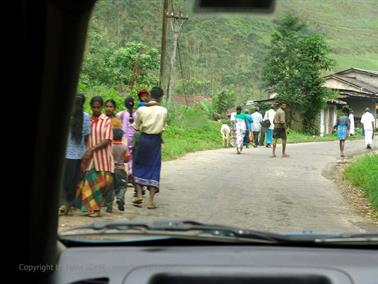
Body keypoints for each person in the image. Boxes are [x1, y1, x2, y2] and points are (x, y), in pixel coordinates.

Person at [76, 96, 114, 217]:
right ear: (91, 107)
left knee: (100, 184)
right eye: (94, 107)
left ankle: (97, 210)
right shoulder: (88, 120)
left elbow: (107, 139)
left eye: (98, 107)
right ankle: (92, 209)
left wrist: (92, 149)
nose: (96, 109)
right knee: (90, 183)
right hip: (89, 157)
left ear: (101, 107)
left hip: (102, 158)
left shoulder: (106, 120)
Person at [133, 86, 168, 209]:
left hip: (143, 139)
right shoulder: (163, 111)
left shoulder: (141, 109)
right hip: (155, 141)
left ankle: (138, 194)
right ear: (160, 97)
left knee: (138, 164)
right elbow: (163, 126)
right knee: (154, 167)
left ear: (150, 95)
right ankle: (151, 201)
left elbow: (136, 126)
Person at [59, 93, 91, 216]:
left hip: (67, 153)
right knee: (74, 181)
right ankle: (69, 204)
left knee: (64, 180)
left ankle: (64, 204)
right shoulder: (86, 116)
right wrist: (86, 152)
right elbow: (87, 137)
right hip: (78, 155)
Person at [106, 128, 129, 212]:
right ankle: (120, 198)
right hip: (120, 170)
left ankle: (109, 206)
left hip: (110, 170)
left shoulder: (109, 147)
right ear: (122, 136)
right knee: (122, 186)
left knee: (110, 189)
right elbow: (126, 159)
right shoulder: (124, 147)